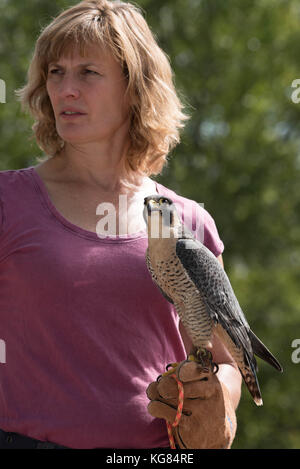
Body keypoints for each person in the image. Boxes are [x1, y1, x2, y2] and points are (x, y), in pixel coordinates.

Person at [0, 0, 241, 449]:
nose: (66, 89)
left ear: (135, 88)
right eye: (56, 72)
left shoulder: (188, 222)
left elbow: (227, 363)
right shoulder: (7, 202)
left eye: (88, 72)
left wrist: (216, 401)